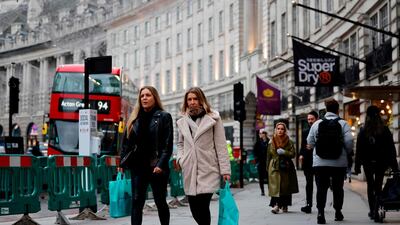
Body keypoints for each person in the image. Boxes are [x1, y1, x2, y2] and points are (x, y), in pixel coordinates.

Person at [176, 87, 231, 225]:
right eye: (189, 99)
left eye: (195, 99)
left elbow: (221, 145)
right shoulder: (182, 121)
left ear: (201, 100)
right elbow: (180, 144)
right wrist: (181, 159)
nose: (192, 102)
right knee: (194, 209)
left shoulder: (213, 119)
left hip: (208, 168)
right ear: (186, 102)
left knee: (203, 205)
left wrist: (225, 170)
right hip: (189, 169)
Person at [121, 86, 173, 225]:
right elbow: (126, 144)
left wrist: (161, 164)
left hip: (156, 166)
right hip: (138, 166)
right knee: (137, 202)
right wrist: (122, 162)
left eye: (148, 95)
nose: (144, 98)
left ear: (154, 98)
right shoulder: (134, 118)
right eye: (142, 95)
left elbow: (167, 145)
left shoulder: (164, 117)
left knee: (160, 201)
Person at [307, 98, 354, 224]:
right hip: (339, 162)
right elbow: (349, 141)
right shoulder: (343, 123)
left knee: (321, 188)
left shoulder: (316, 124)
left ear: (325, 109)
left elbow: (310, 142)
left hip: (320, 162)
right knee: (338, 188)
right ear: (337, 110)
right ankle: (338, 212)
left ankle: (321, 214)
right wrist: (347, 152)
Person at [354, 105, 399, 221]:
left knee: (370, 185)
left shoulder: (363, 131)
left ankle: (372, 210)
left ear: (367, 116)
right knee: (378, 185)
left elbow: (359, 149)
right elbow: (391, 148)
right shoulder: (384, 130)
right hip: (381, 162)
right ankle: (376, 209)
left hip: (368, 163)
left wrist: (357, 166)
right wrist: (394, 166)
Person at [267, 122, 299, 214]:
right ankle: (276, 205)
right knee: (276, 187)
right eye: (278, 129)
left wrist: (284, 152)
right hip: (274, 167)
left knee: (285, 187)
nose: (280, 130)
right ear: (275, 130)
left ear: (285, 130)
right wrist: (267, 168)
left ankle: (284, 204)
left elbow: (293, 154)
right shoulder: (271, 141)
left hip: (286, 166)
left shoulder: (289, 141)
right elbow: (268, 156)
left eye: (282, 129)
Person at [299, 111, 319, 213]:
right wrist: (301, 154)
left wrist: (313, 146)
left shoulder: (321, 129)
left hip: (319, 160)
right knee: (309, 184)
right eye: (309, 119)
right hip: (307, 161)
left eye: (312, 119)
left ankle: (320, 206)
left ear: (316, 118)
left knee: (320, 184)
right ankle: (308, 204)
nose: (310, 121)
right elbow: (303, 146)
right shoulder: (305, 131)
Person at [253, 128, 270, 196]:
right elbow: (255, 151)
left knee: (269, 177)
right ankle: (262, 191)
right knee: (261, 177)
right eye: (260, 133)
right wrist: (257, 159)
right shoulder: (258, 142)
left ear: (265, 134)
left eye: (262, 133)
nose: (261, 135)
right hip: (260, 162)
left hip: (268, 162)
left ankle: (270, 190)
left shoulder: (269, 142)